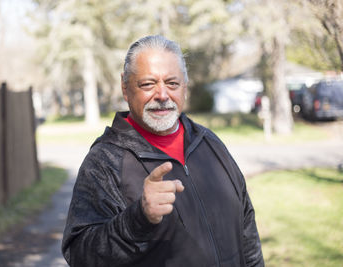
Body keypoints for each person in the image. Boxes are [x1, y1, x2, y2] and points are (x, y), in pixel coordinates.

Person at [62, 35, 264, 267]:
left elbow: (247, 231)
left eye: (172, 83)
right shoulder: (105, 162)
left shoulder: (209, 143)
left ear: (184, 88)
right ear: (125, 88)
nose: (162, 95)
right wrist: (137, 220)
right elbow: (80, 255)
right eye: (148, 84)